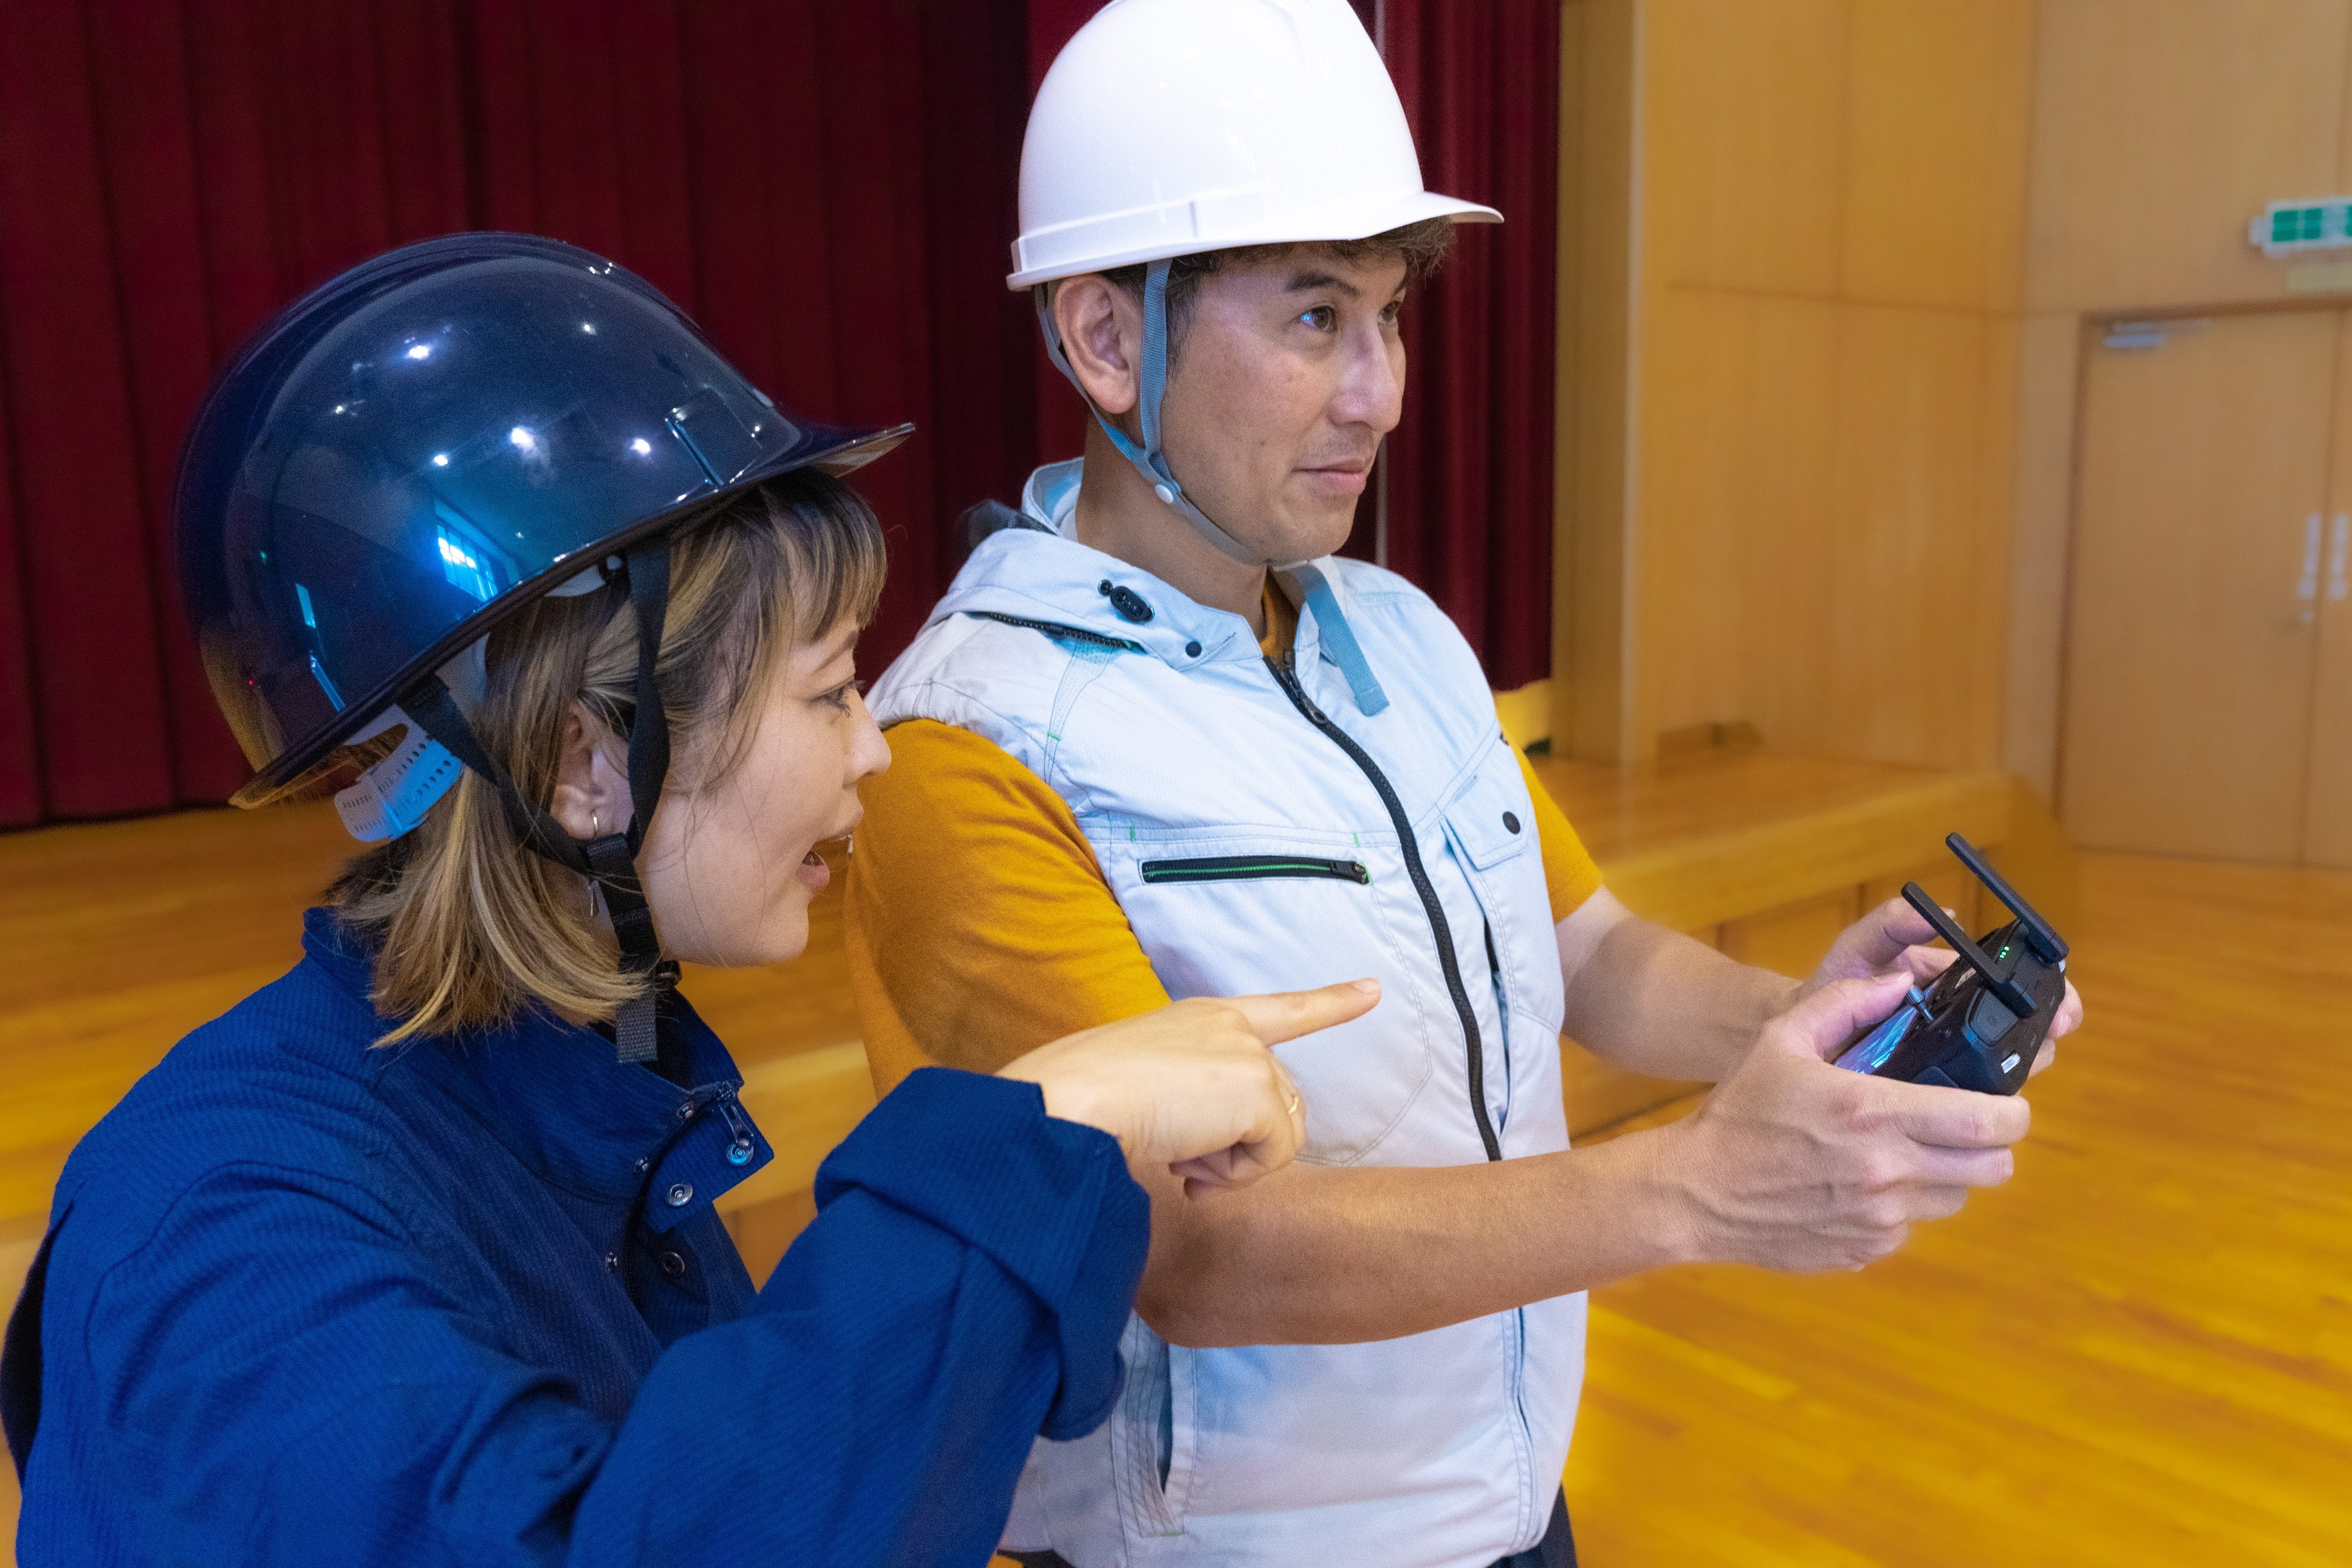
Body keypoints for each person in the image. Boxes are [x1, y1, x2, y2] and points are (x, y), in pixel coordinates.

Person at [843, 4, 2087, 1566]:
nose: (1380, 392)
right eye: (1315, 319)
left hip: (1501, 1500)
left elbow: (1587, 952)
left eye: (1388, 317)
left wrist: (1813, 1019)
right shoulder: (967, 744)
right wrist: (1695, 1189)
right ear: (1105, 339)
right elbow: (1192, 1256)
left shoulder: (1401, 634)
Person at [0, 233, 1378, 1566]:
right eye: (829, 690)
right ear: (583, 763)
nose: (875, 749)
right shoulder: (222, 1240)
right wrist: (1040, 1135)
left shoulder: (580, 1096)